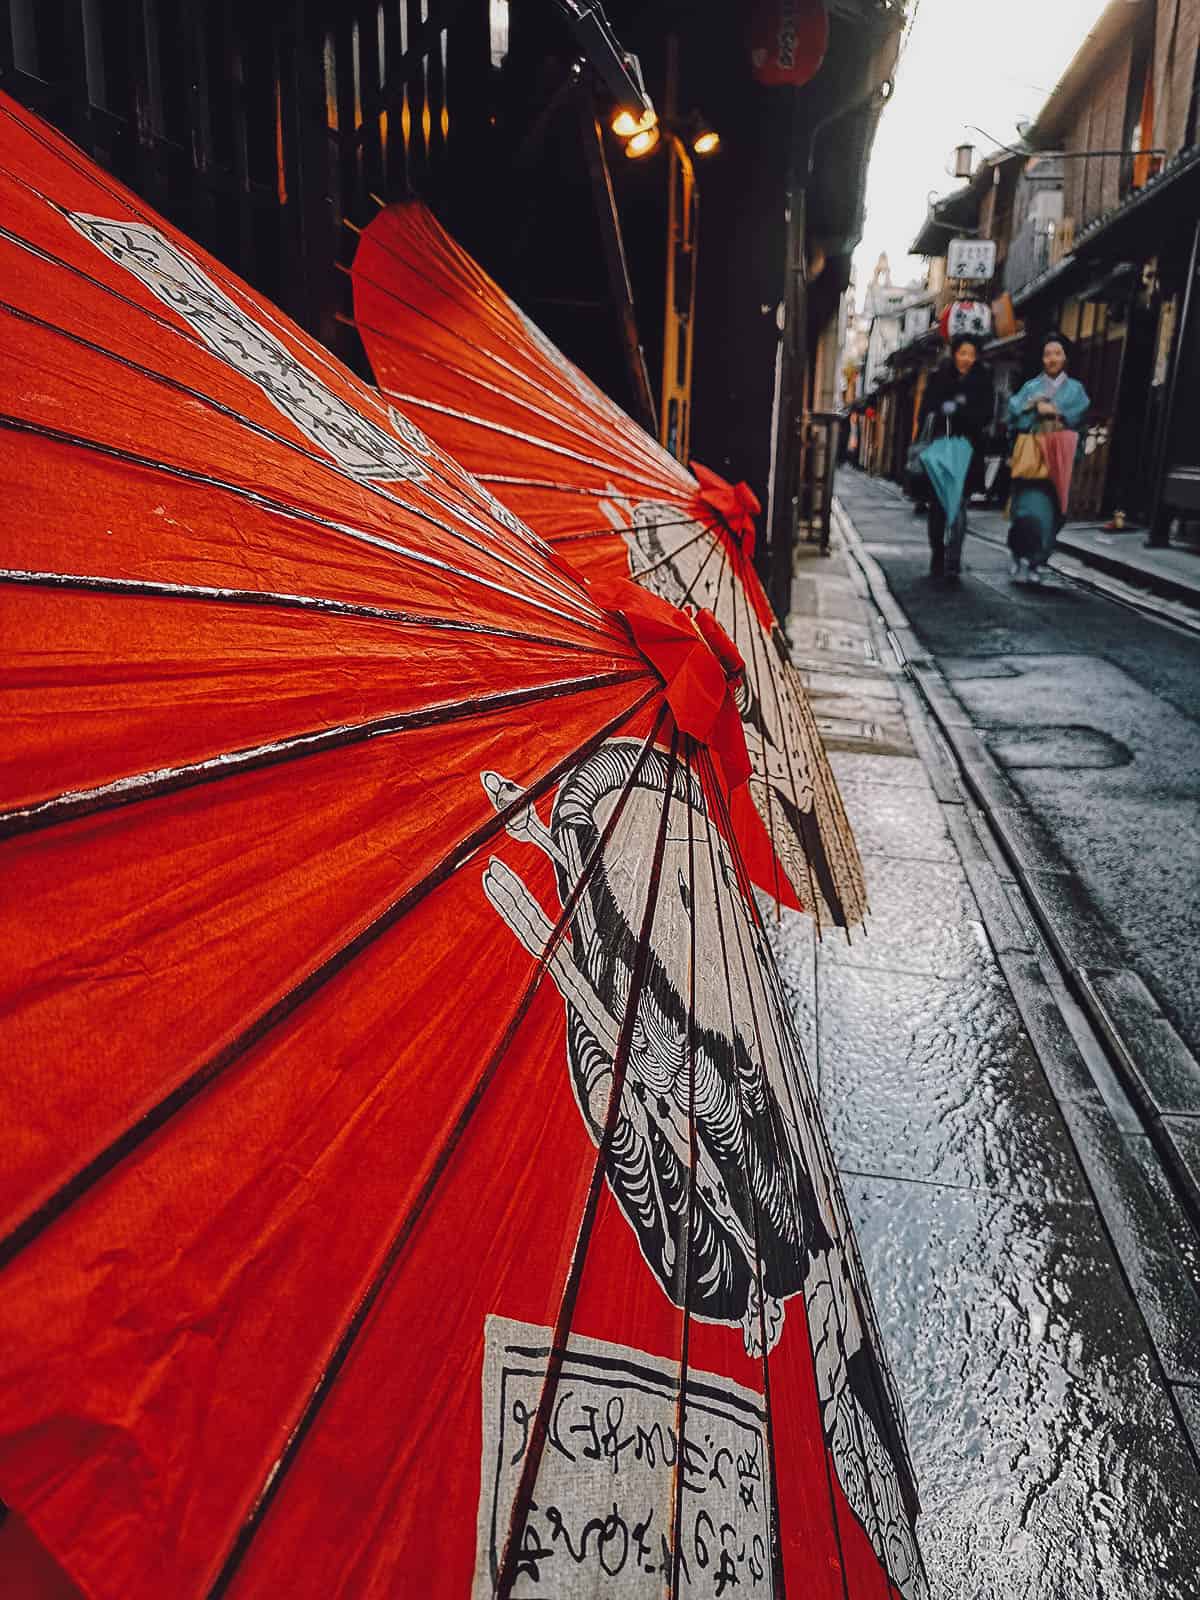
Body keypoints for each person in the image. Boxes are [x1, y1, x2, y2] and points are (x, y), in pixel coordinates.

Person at [1006, 332, 1089, 583]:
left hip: (1059, 455)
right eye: (1047, 354)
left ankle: (1037, 560)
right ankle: (1019, 553)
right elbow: (1014, 416)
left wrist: (1054, 410)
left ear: (1065, 357)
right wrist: (1031, 406)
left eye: (1057, 353)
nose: (1052, 358)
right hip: (1033, 454)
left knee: (1053, 511)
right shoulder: (1031, 387)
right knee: (1026, 510)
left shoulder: (1076, 389)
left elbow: (1079, 419)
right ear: (1042, 359)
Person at [916, 333, 993, 581]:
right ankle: (938, 553)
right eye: (963, 353)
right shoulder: (939, 378)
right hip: (940, 449)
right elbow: (925, 411)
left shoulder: (983, 381)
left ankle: (953, 560)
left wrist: (962, 410)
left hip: (968, 451)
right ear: (954, 353)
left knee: (958, 506)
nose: (967, 359)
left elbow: (986, 416)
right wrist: (941, 410)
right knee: (938, 507)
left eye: (972, 354)